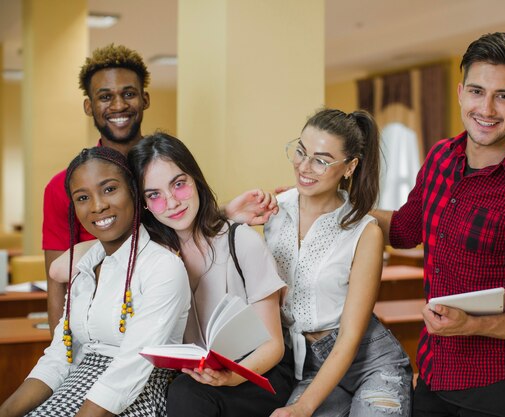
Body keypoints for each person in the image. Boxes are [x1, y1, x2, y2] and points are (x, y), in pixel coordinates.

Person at [371, 32, 505, 417]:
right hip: (434, 371)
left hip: (503, 386)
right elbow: (403, 229)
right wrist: (333, 207)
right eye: (477, 91)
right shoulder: (440, 158)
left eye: (503, 95)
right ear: (460, 92)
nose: (487, 108)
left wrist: (472, 325)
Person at [42, 44, 277, 334]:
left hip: (164, 322)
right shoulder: (63, 186)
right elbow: (57, 277)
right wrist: (57, 349)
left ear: (144, 99)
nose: (118, 106)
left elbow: (179, 220)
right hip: (101, 327)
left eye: (128, 93)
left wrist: (221, 214)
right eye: (105, 97)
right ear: (89, 106)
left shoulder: (165, 165)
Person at [0, 147, 191, 417]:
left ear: (134, 193)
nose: (98, 205)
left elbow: (129, 370)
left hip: (138, 393)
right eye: (82, 197)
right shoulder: (83, 268)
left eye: (110, 189)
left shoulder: (162, 267)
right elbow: (59, 358)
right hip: (79, 385)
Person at [126, 133, 294, 417]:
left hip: (257, 372)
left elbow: (273, 346)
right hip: (199, 376)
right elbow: (64, 265)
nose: (171, 202)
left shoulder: (241, 241)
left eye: (178, 185)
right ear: (142, 204)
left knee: (186, 394)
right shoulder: (153, 256)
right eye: (154, 195)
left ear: (195, 180)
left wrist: (231, 377)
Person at [266, 109, 413, 417]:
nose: (304, 167)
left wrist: (305, 406)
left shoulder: (364, 231)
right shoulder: (273, 212)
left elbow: (349, 336)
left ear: (350, 167)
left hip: (370, 362)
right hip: (308, 367)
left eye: (321, 160)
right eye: (301, 152)